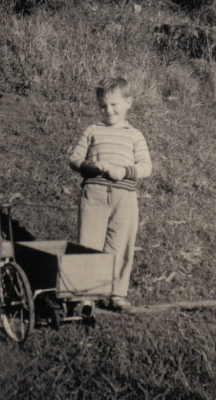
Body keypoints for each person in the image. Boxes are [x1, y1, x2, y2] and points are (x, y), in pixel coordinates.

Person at [69, 77, 152, 311]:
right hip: (94, 194)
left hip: (124, 197)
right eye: (103, 106)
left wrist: (124, 171)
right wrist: (90, 167)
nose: (109, 110)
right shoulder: (93, 130)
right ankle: (86, 295)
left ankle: (117, 294)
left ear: (129, 103)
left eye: (114, 105)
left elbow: (146, 167)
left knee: (121, 244)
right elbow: (74, 159)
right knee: (89, 242)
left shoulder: (135, 135)